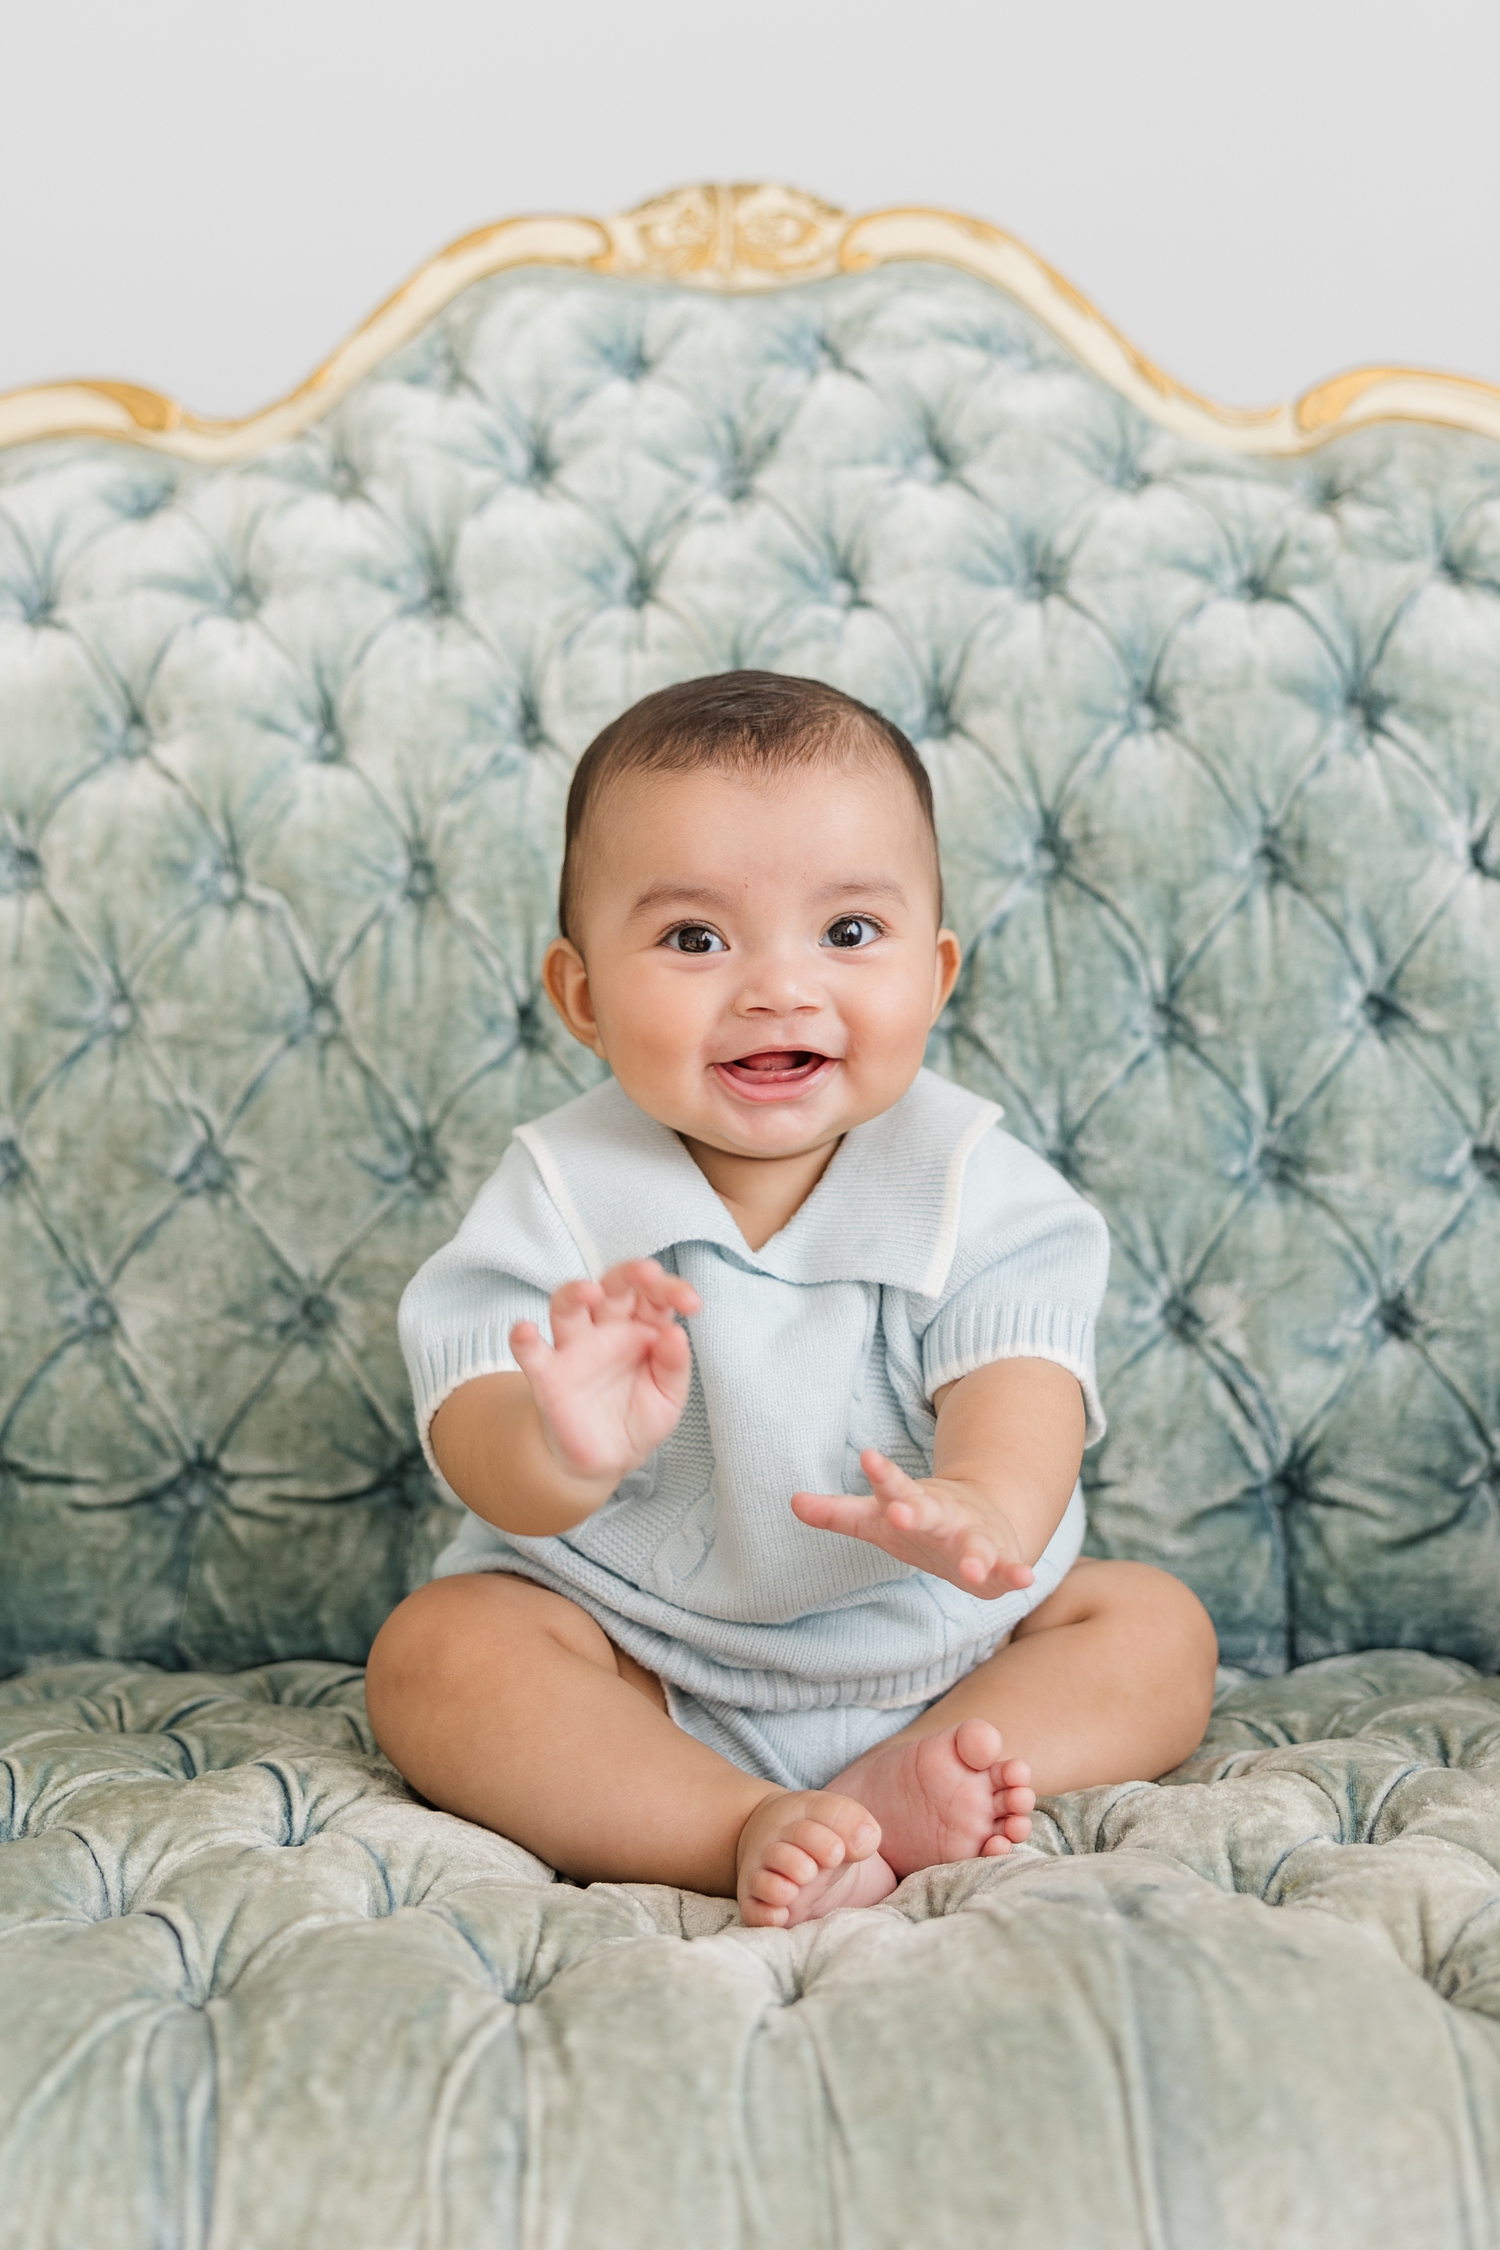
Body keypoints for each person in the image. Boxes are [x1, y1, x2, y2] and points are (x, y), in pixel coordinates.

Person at [366, 671, 1218, 1927]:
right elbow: (475, 1433)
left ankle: (895, 1784)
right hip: (639, 1660)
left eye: (849, 934)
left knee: (1155, 1631)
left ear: (934, 974)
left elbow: (1020, 1382)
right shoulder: (560, 1189)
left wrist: (981, 1504)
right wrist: (560, 1447)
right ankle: (730, 1822)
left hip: (945, 1654)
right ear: (584, 994)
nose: (778, 987)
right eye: (696, 939)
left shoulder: (974, 1181)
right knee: (437, 1655)